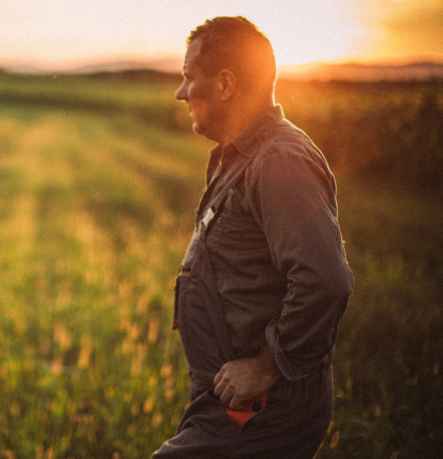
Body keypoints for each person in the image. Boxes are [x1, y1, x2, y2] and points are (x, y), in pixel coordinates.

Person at [152, 17, 354, 458]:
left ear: (225, 84)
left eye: (189, 77)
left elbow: (325, 280)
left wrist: (265, 367)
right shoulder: (238, 157)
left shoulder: (279, 159)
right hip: (233, 401)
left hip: (265, 408)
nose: (181, 92)